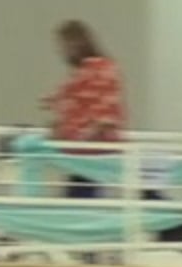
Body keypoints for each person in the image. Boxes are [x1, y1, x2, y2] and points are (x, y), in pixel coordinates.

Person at [42, 20, 126, 199]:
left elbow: (105, 110)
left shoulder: (101, 69)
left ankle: (177, 223)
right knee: (78, 202)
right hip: (81, 154)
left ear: (76, 43)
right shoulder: (83, 73)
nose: (60, 51)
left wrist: (86, 136)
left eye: (63, 45)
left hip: (93, 153)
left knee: (80, 204)